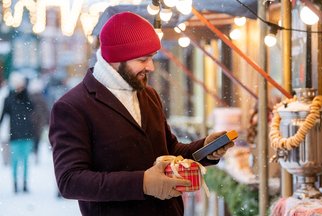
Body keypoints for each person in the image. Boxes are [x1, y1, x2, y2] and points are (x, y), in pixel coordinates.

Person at [49, 12, 234, 216]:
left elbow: (169, 150)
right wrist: (143, 183)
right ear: (115, 59)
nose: (151, 67)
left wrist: (205, 148)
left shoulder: (148, 94)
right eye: (143, 59)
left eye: (152, 58)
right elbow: (71, 181)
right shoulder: (72, 107)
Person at [0, 72, 34, 193]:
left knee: (25, 161)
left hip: (27, 134)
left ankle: (24, 183)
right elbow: (3, 115)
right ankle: (15, 184)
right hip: (14, 135)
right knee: (14, 161)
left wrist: (25, 94)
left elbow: (32, 108)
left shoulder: (26, 97)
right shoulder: (8, 99)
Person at [28, 78, 50, 164]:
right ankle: (35, 153)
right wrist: (48, 121)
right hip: (40, 122)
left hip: (31, 122)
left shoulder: (29, 97)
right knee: (37, 139)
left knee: (32, 138)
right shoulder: (42, 98)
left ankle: (33, 153)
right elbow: (47, 111)